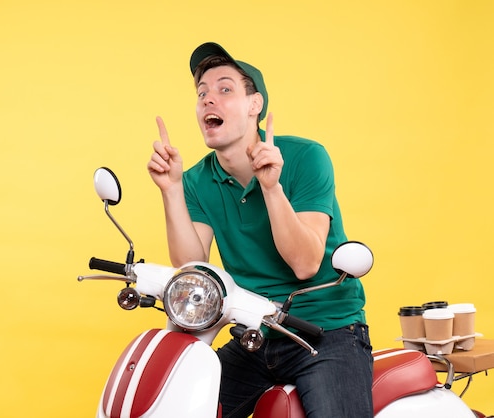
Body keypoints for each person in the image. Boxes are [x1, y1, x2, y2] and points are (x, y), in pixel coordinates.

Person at [147, 42, 373, 418]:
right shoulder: (196, 180)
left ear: (255, 105)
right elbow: (194, 268)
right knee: (183, 403)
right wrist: (171, 190)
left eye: (224, 89)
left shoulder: (305, 157)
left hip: (325, 333)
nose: (208, 100)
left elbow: (305, 263)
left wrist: (272, 187)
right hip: (254, 333)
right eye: (201, 93)